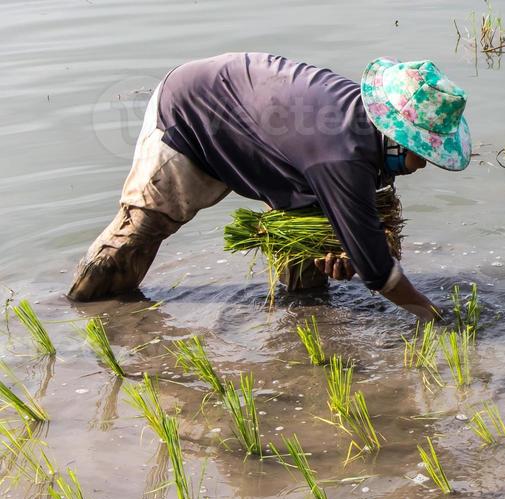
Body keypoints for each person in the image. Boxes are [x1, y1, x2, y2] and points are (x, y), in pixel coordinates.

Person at [67, 53, 471, 322]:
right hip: (192, 114)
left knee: (310, 246)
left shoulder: (359, 127)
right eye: (423, 153)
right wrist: (431, 315)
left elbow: (354, 229)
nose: (423, 165)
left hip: (257, 129)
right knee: (142, 229)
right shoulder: (341, 156)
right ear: (394, 137)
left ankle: (303, 315)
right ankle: (81, 311)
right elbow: (378, 271)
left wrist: (340, 247)